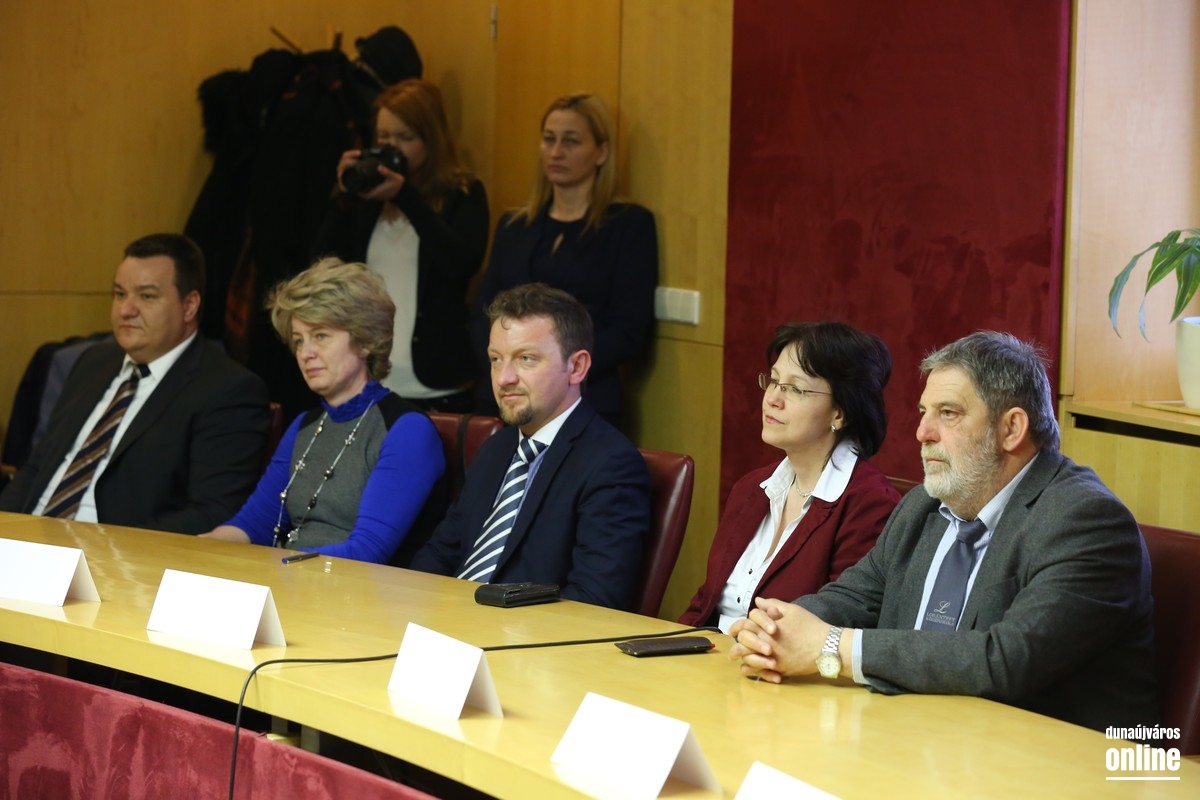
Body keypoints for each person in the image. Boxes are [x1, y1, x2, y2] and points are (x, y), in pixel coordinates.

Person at [728, 331, 1158, 732]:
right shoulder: (923, 506)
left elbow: (1005, 661)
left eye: (948, 414)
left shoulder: (1086, 523)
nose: (922, 432)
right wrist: (772, 631)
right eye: (923, 413)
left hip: (1051, 761)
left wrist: (831, 648)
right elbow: (852, 598)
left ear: (1011, 429)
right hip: (919, 739)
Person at [0, 233, 270, 533]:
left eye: (146, 296)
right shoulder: (93, 363)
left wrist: (109, 546)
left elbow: (212, 513)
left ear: (190, 305)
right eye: (119, 294)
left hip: (113, 551)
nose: (125, 310)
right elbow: (37, 468)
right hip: (29, 541)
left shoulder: (228, 389)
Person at [412, 282, 650, 609]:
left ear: (576, 367)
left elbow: (594, 600)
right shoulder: (496, 448)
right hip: (447, 623)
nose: (503, 378)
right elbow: (441, 554)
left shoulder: (611, 464)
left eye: (526, 358)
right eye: (496, 359)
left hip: (521, 636)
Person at [203, 258, 445, 565]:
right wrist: (194, 549)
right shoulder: (304, 425)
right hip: (287, 576)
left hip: (353, 588)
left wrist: (270, 566)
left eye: (320, 336)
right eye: (298, 340)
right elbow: (253, 525)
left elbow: (367, 552)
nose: (305, 353)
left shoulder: (407, 430)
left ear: (365, 341)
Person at [679, 322, 900, 632]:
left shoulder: (870, 507)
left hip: (779, 658)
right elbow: (705, 604)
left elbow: (840, 624)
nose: (773, 398)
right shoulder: (752, 488)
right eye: (773, 381)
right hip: (712, 651)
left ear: (840, 413)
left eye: (795, 389)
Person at [472, 93, 658, 427]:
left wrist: (553, 373)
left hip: (586, 399)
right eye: (549, 139)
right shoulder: (514, 225)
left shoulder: (629, 225)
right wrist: (504, 366)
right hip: (503, 398)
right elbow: (483, 312)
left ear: (601, 152)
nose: (556, 151)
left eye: (571, 141)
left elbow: (628, 329)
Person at [315, 78, 489, 413]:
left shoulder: (462, 193)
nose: (391, 148)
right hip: (369, 381)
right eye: (383, 137)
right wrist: (343, 199)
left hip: (436, 384)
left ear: (431, 139)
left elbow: (460, 264)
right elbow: (323, 267)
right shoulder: (368, 200)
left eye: (405, 137)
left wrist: (406, 197)